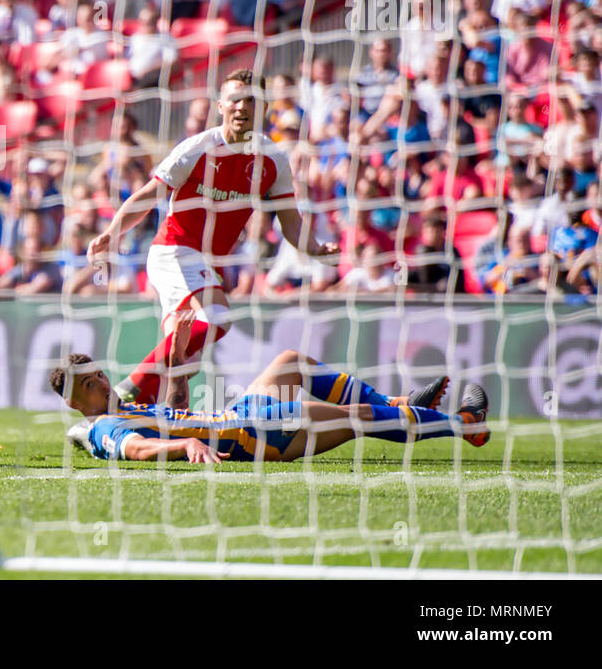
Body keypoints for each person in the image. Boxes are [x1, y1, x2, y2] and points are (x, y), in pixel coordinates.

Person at [86, 69, 339, 409]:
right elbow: (149, 195)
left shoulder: (272, 159)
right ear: (221, 105)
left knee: (181, 361)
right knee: (216, 317)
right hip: (172, 251)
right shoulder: (197, 148)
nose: (242, 107)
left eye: (251, 99)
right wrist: (110, 233)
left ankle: (150, 422)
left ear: (262, 106)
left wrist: (317, 249)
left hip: (204, 264)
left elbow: (291, 223)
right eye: (235, 99)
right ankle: (129, 389)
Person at [54, 311, 489, 464]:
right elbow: (136, 449)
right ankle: (464, 424)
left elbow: (176, 410)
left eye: (99, 373)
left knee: (289, 363)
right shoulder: (101, 427)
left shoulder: (128, 405)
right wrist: (183, 447)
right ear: (75, 402)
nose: (102, 382)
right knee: (361, 418)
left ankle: (399, 404)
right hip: (250, 436)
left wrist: (177, 366)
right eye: (90, 384)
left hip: (237, 416)